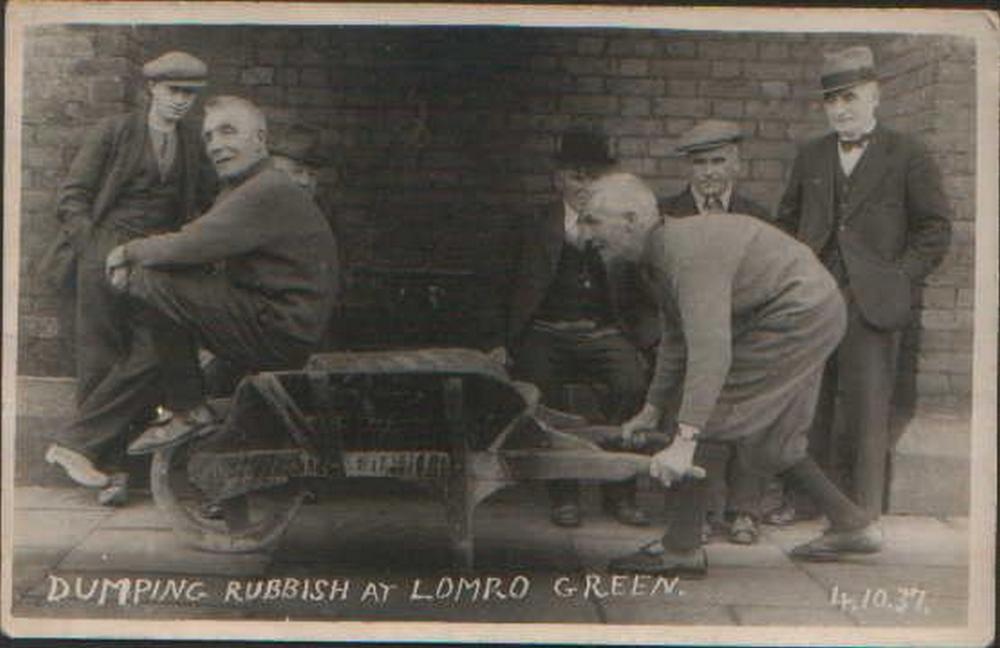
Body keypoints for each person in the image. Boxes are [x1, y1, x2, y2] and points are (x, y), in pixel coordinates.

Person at [574, 172, 882, 576]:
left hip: (797, 311)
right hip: (811, 307)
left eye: (592, 221)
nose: (582, 235)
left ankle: (680, 549)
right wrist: (651, 407)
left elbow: (709, 352)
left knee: (709, 416)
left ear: (630, 219)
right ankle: (852, 526)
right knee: (777, 444)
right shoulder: (659, 254)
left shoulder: (685, 254)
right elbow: (676, 340)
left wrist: (685, 438)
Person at [100, 95, 340, 455]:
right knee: (156, 280)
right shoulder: (244, 189)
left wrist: (127, 252)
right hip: (278, 325)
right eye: (209, 137)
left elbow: (191, 244)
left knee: (147, 280)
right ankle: (190, 411)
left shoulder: (267, 189)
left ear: (259, 140)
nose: (216, 145)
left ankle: (188, 409)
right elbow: (197, 243)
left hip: (279, 330)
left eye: (228, 132)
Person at [772, 46, 951, 522]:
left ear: (875, 95)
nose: (841, 109)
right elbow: (787, 222)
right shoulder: (810, 154)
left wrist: (899, 279)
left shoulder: (908, 153)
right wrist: (795, 280)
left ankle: (862, 513)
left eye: (849, 97)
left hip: (873, 302)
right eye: (831, 101)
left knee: (869, 412)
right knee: (808, 406)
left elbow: (934, 229)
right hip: (814, 298)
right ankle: (805, 501)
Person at [43, 51, 215, 503]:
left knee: (153, 351)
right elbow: (72, 197)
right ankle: (112, 474)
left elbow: (207, 203)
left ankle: (74, 444)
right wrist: (94, 251)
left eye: (190, 95)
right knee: (101, 360)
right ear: (152, 90)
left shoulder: (193, 143)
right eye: (173, 91)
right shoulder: (115, 132)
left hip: (155, 261)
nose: (181, 102)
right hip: (103, 252)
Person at [492, 128, 659, 528]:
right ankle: (564, 493)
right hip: (545, 330)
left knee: (632, 384)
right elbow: (500, 284)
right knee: (542, 389)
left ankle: (619, 491)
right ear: (558, 179)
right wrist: (496, 342)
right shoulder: (532, 224)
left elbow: (643, 293)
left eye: (594, 176)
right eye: (576, 176)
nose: (585, 185)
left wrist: (650, 343)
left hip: (602, 331)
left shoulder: (618, 225)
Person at [660, 119, 771, 545]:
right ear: (689, 168)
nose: (709, 171)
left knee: (752, 408)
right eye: (700, 162)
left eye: (718, 161)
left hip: (743, 338)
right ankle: (695, 513)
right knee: (688, 406)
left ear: (737, 164)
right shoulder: (667, 215)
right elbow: (653, 286)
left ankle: (744, 509)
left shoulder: (758, 217)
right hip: (686, 341)